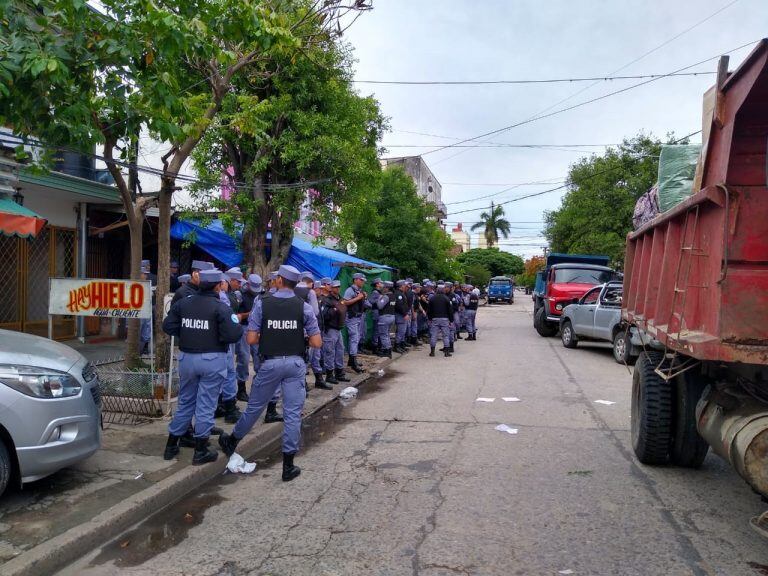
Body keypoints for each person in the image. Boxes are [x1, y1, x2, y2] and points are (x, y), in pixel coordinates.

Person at [219, 265, 322, 482]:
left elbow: (251, 339)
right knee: (293, 414)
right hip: (295, 365)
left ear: (279, 281)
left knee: (255, 407)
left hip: (270, 364)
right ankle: (288, 466)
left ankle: (232, 440)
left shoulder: (262, 303)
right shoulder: (303, 307)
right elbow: (316, 342)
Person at [162, 268, 243, 464]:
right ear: (217, 286)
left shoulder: (184, 303)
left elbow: (168, 326)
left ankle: (171, 445)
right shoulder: (221, 307)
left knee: (186, 402)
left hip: (187, 359)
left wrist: (187, 334)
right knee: (206, 404)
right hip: (212, 360)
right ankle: (201, 450)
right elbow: (234, 334)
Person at [321, 280, 350, 385]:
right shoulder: (326, 300)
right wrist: (335, 310)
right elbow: (324, 315)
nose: (337, 288)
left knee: (340, 351)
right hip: (330, 329)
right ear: (331, 288)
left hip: (339, 329)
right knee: (330, 352)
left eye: (339, 287)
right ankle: (329, 375)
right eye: (335, 287)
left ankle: (339, 373)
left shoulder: (340, 298)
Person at [307, 277, 331, 390]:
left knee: (316, 357)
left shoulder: (318, 300)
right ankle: (303, 382)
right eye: (318, 289)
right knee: (308, 357)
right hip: (309, 333)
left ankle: (319, 379)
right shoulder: (308, 302)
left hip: (318, 330)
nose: (320, 291)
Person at [342, 273, 368, 373]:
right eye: (361, 280)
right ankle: (353, 362)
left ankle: (351, 360)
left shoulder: (359, 290)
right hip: (351, 318)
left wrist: (363, 297)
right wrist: (358, 297)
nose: (363, 282)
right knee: (354, 338)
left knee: (356, 338)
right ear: (356, 280)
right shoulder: (350, 290)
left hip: (358, 317)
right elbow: (345, 302)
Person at [428, 284, 453, 358]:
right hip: (445, 319)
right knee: (445, 336)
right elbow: (450, 311)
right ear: (443, 290)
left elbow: (429, 310)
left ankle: (432, 352)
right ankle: (447, 353)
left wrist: (429, 319)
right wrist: (451, 320)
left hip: (435, 319)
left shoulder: (432, 298)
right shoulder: (446, 298)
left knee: (434, 335)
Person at [376, 281, 396, 358]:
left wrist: (379, 298)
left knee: (383, 335)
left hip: (385, 317)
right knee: (387, 334)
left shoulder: (386, 296)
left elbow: (379, 306)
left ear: (387, 288)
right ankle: (387, 349)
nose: (383, 289)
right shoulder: (393, 296)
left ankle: (387, 351)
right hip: (391, 317)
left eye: (384, 287)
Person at [394, 280, 410, 354]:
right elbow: (399, 306)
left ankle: (399, 345)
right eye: (404, 285)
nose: (405, 287)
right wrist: (404, 314)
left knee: (401, 331)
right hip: (400, 315)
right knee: (401, 331)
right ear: (401, 286)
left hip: (401, 315)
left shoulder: (400, 293)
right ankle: (396, 346)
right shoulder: (398, 294)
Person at [367, 278, 383, 354]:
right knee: (376, 330)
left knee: (379, 330)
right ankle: (375, 347)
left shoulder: (379, 292)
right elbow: (370, 301)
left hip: (379, 312)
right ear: (377, 284)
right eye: (380, 283)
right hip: (376, 312)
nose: (382, 284)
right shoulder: (375, 292)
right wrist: (376, 303)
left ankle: (378, 346)